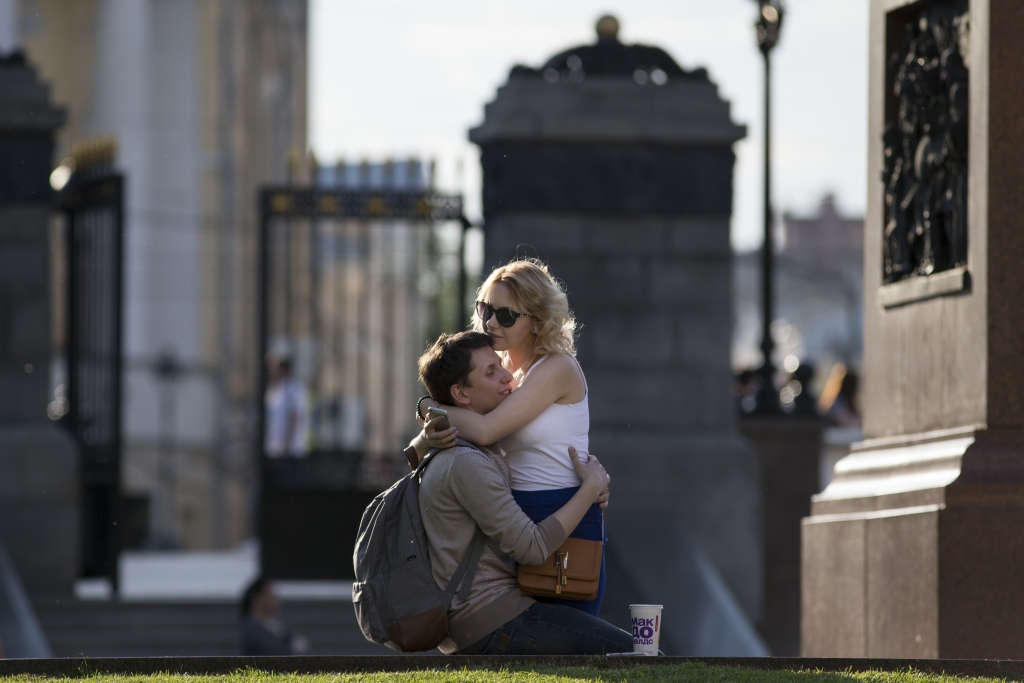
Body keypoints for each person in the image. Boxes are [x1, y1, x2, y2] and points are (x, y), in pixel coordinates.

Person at [416, 331, 632, 655]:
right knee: (642, 655)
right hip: (492, 620)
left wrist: (425, 411)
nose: (508, 377)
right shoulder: (465, 462)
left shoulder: (470, 449)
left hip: (492, 614)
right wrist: (589, 490)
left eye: (501, 365)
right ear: (460, 393)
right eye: (491, 372)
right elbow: (532, 548)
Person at [413, 258, 607, 615]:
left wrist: (428, 405)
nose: (490, 322)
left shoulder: (557, 367)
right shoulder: (503, 373)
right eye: (485, 309)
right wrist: (429, 411)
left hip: (563, 513)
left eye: (505, 315)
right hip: (514, 522)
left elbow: (485, 429)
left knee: (571, 639)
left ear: (538, 318)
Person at [240, 577, 309, 655]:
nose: (275, 601)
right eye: (271, 596)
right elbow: (277, 651)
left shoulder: (274, 624)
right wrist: (294, 647)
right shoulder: (252, 628)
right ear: (257, 598)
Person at [264, 355, 309, 457]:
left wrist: (287, 446)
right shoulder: (274, 389)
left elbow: (296, 417)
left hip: (290, 451)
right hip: (274, 449)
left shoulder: (295, 389)